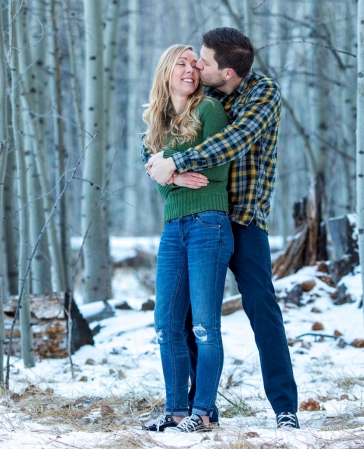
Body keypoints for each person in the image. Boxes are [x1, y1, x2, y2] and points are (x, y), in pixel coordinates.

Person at [146, 27, 300, 429]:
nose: (196, 65)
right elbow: (156, 147)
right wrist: (168, 172)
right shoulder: (206, 96)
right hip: (200, 217)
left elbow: (236, 140)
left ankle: (285, 408)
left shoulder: (262, 93)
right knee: (185, 318)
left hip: (242, 218)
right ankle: (200, 411)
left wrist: (177, 164)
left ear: (227, 72)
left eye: (204, 61)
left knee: (261, 309)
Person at [140, 44, 233, 434]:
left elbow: (218, 168)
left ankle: (205, 412)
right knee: (166, 324)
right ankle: (176, 410)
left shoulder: (208, 111)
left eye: (196, 64)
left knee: (205, 326)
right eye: (182, 63)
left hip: (208, 224)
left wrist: (169, 168)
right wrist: (173, 177)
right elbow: (158, 183)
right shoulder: (156, 124)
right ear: (166, 70)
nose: (192, 69)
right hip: (173, 229)